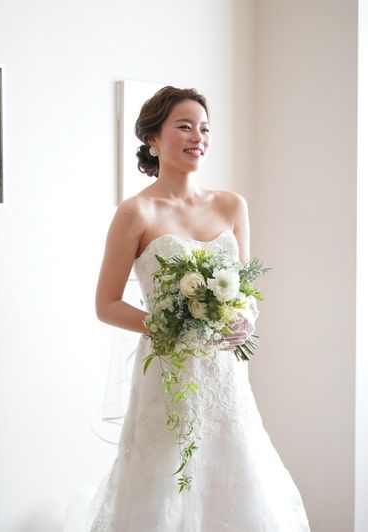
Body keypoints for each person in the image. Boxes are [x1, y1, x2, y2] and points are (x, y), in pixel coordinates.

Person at [71, 87, 311, 531]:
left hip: (225, 375)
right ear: (153, 139)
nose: (198, 137)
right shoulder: (135, 212)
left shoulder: (232, 205)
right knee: (164, 480)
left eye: (204, 128)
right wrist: (169, 325)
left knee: (235, 474)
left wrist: (245, 318)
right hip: (167, 372)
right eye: (184, 127)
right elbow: (106, 305)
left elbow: (245, 289)